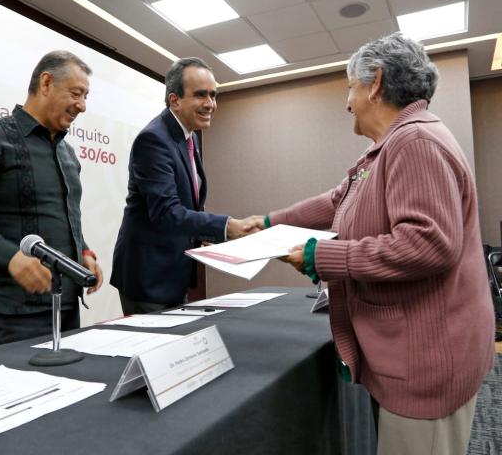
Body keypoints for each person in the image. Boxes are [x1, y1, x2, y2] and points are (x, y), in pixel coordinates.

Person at [246, 33, 495, 455]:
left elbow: (427, 244)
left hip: (427, 363)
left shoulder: (414, 143)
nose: (347, 102)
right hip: (415, 353)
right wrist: (267, 223)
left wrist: (319, 256)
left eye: (350, 87)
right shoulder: (389, 147)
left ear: (375, 83)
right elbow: (334, 201)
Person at [0, 50, 103, 347]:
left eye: (86, 96)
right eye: (77, 93)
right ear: (46, 83)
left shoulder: (68, 153)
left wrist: (84, 251)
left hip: (65, 305)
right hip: (12, 313)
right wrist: (9, 257)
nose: (83, 106)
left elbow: (62, 217)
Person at [111, 57, 255, 314]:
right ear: (174, 100)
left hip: (174, 271)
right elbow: (166, 212)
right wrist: (224, 226)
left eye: (213, 95)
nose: (210, 104)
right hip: (148, 277)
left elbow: (188, 203)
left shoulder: (188, 136)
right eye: (201, 95)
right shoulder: (153, 139)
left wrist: (204, 236)